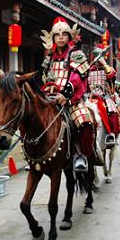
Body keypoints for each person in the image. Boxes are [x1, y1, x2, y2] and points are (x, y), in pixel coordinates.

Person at [39, 16, 93, 172]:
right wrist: (49, 86)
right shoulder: (49, 57)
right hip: (52, 98)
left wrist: (66, 94)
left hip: (72, 99)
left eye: (64, 34)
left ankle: (81, 154)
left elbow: (77, 76)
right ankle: (37, 154)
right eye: (57, 34)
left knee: (84, 122)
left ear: (69, 36)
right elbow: (46, 75)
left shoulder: (76, 54)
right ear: (53, 37)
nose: (61, 37)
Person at [88, 45, 118, 147]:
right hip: (90, 96)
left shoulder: (109, 68)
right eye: (96, 57)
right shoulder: (89, 69)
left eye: (99, 57)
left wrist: (104, 64)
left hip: (104, 95)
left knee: (112, 111)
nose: (97, 60)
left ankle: (111, 134)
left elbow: (111, 76)